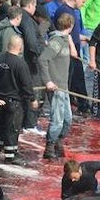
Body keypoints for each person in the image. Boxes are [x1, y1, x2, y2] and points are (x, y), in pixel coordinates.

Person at [0, 34, 36, 165]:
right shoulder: (20, 64)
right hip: (14, 102)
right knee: (12, 128)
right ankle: (11, 155)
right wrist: (32, 99)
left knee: (0, 125)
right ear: (20, 47)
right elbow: (26, 84)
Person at [40, 13, 76, 160]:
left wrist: (70, 40)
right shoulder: (56, 42)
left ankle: (59, 142)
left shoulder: (65, 39)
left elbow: (74, 53)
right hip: (56, 86)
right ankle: (50, 147)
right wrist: (48, 81)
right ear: (71, 26)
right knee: (57, 119)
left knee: (68, 118)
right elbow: (42, 59)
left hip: (64, 85)